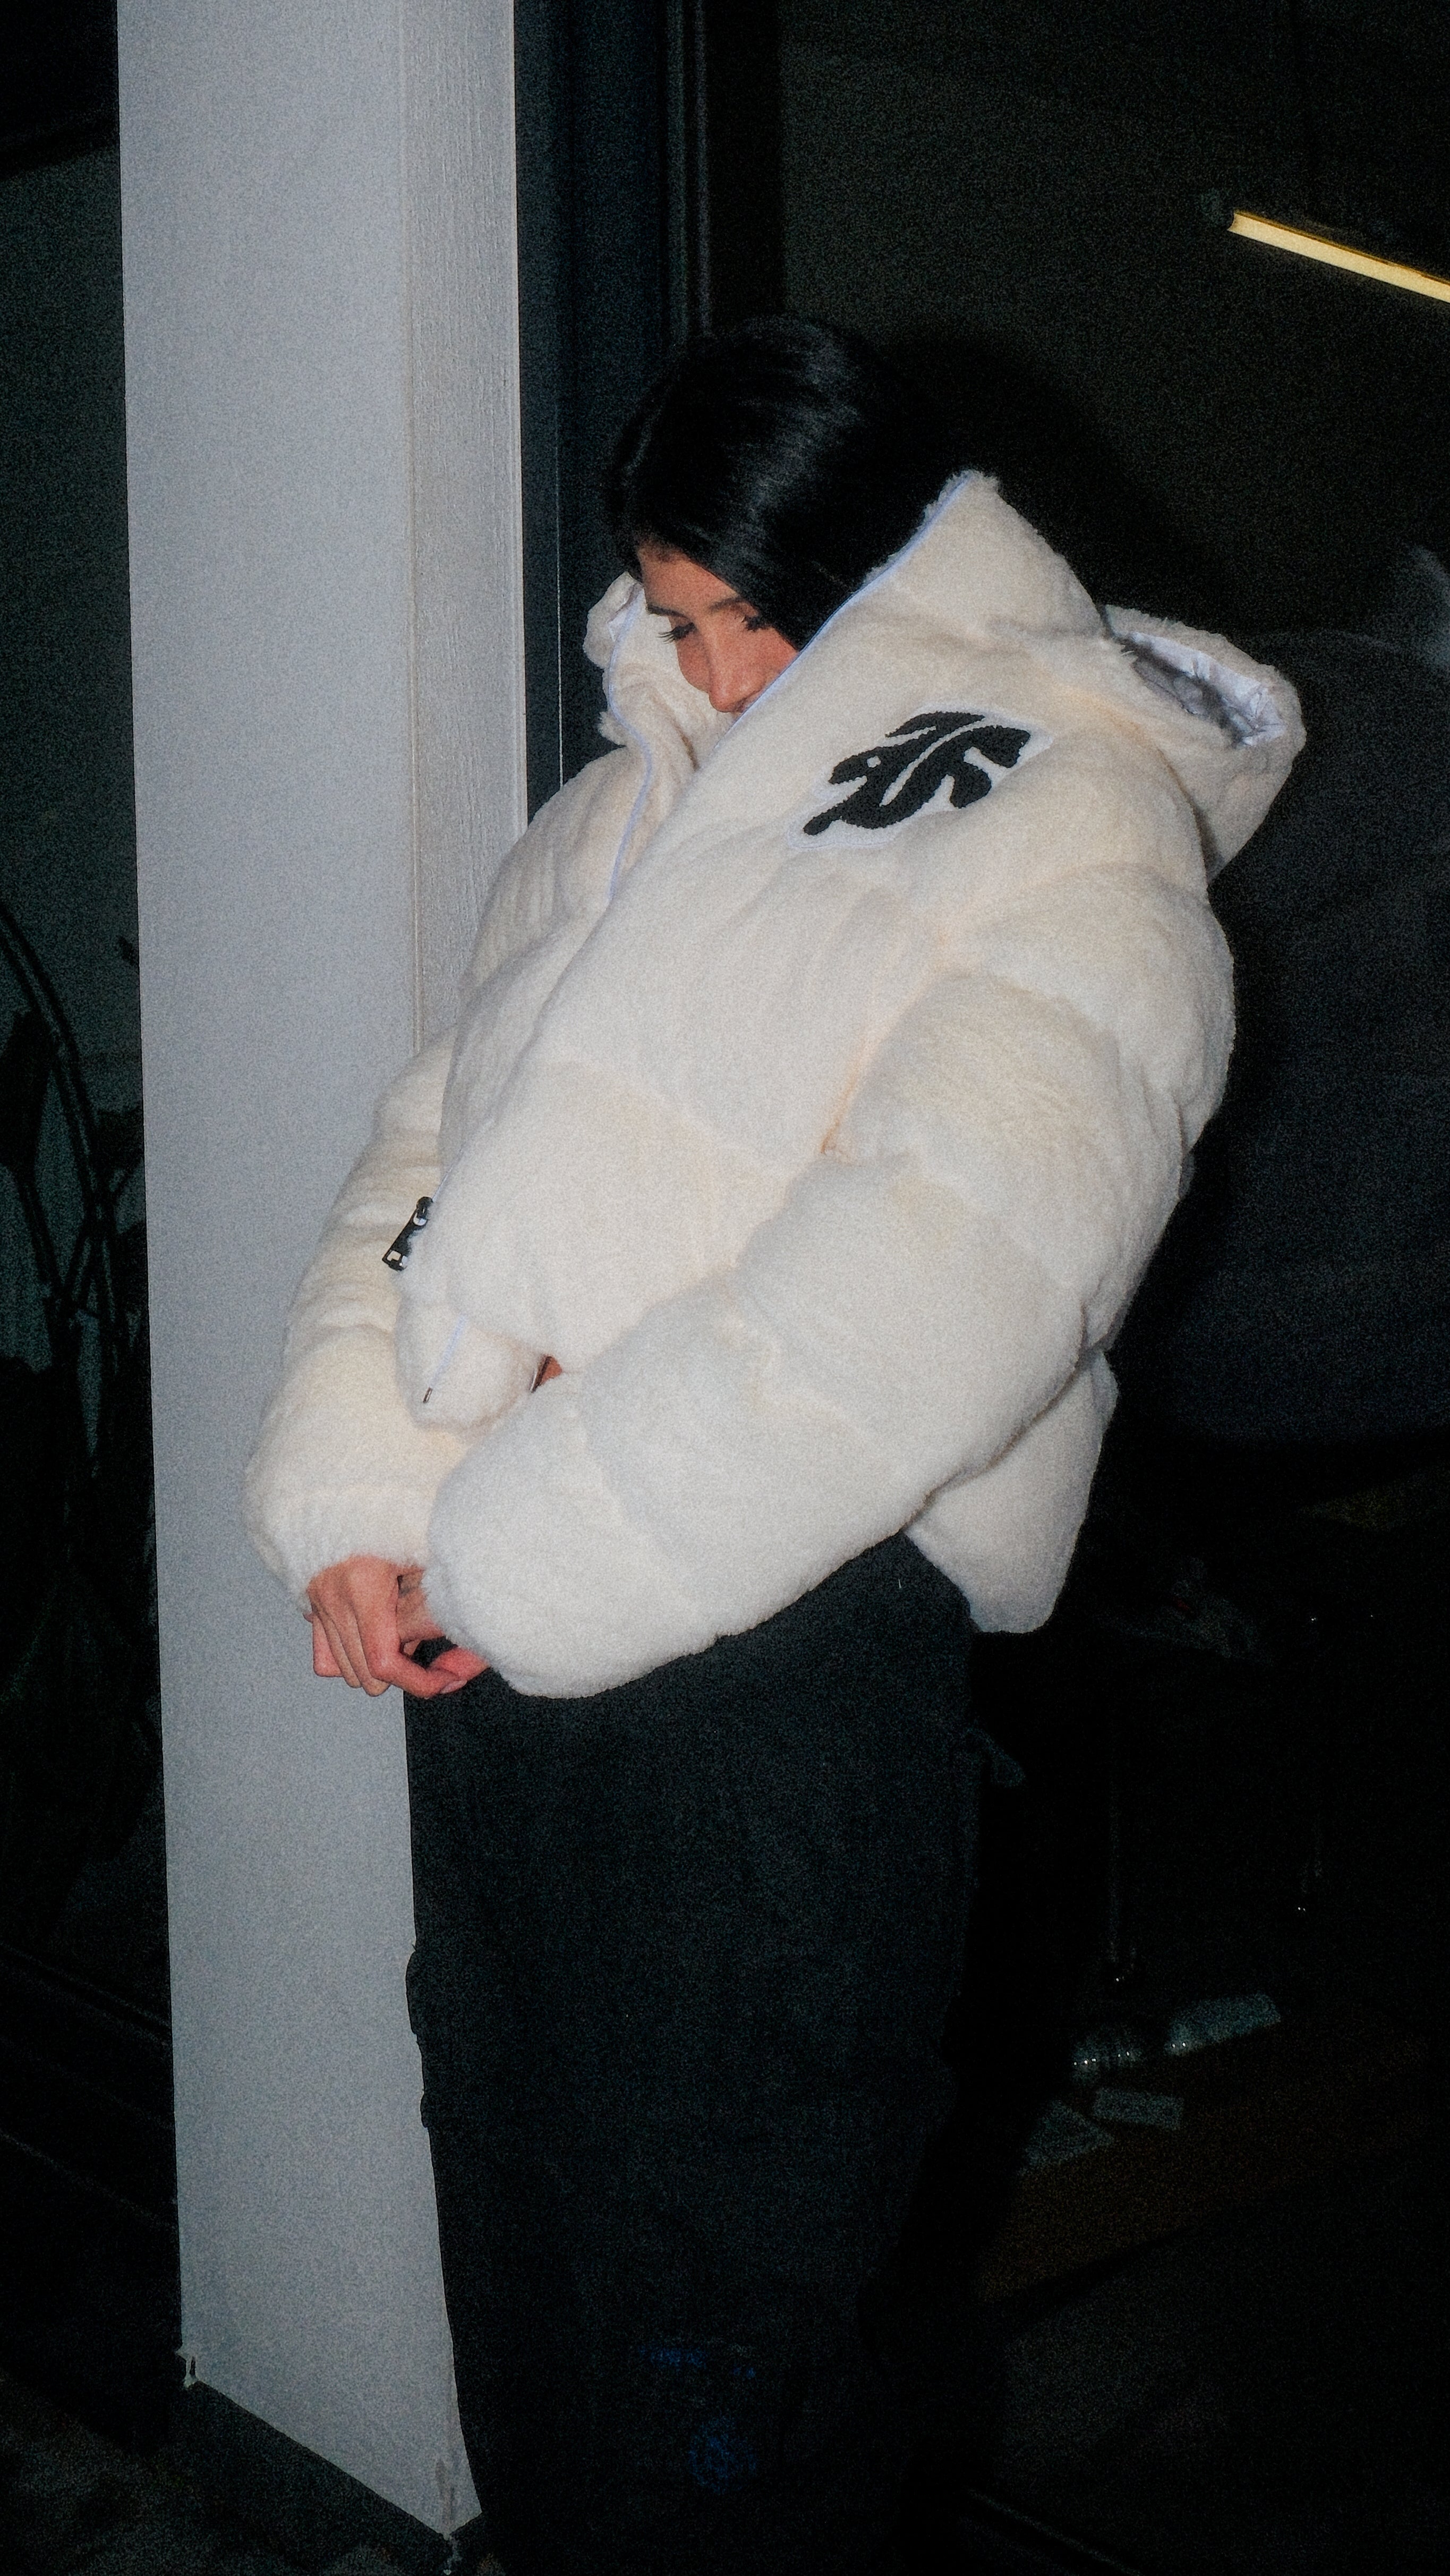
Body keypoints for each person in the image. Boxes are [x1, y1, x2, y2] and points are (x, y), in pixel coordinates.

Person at [244, 318, 1302, 2573]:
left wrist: (513, 1544)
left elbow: (934, 1284)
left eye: (757, 618)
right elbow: (431, 1154)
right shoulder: (607, 825)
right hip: (507, 1640)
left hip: (781, 1657)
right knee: (520, 2216)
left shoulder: (1076, 807)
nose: (715, 675)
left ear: (886, 567)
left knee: (737, 2303)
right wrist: (362, 1494)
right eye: (679, 616)